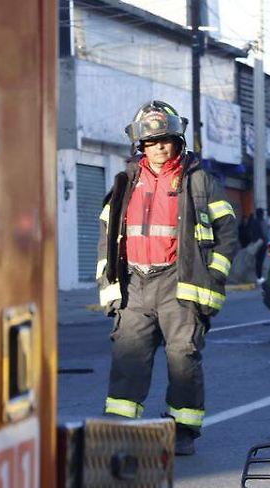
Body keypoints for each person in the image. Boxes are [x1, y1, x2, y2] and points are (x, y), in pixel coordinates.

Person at [96, 100, 239, 456]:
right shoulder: (125, 182)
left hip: (180, 283)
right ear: (140, 146)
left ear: (179, 141)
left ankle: (183, 430)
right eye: (152, 141)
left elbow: (227, 234)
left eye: (166, 139)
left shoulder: (200, 182)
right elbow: (107, 236)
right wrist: (109, 288)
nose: (159, 146)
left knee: (183, 358)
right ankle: (119, 427)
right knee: (128, 358)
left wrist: (211, 280)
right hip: (134, 285)